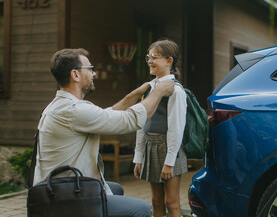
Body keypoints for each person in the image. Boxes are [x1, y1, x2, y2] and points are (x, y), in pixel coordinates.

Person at [33, 48, 175, 217]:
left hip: (59, 187)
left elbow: (109, 114)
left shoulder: (65, 106)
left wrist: (137, 93)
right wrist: (159, 91)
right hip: (65, 196)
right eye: (90, 69)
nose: (94, 74)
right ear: (75, 75)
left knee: (115, 189)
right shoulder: (72, 110)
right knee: (141, 209)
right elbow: (130, 120)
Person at [133, 39, 188, 217]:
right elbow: (142, 124)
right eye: (148, 57)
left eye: (154, 57)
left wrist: (169, 161)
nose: (150, 61)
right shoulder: (149, 88)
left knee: (170, 203)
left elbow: (176, 128)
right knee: (156, 201)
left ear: (169, 61)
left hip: (168, 148)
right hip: (150, 146)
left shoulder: (176, 90)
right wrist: (138, 157)